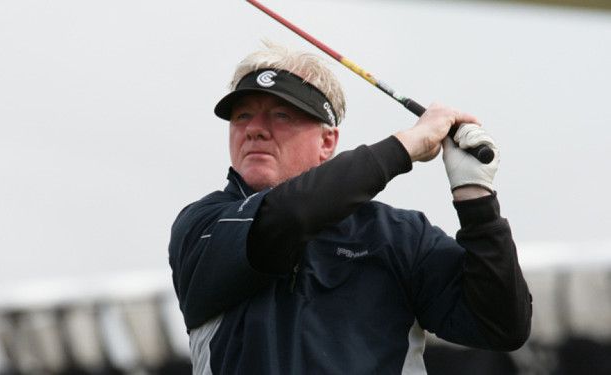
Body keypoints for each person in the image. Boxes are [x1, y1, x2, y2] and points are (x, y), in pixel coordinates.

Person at [168, 42, 532, 374]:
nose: (255, 129)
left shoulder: (397, 237)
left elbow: (502, 325)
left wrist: (476, 198)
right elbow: (288, 215)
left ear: (327, 142)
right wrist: (406, 145)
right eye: (242, 116)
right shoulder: (204, 225)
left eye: (281, 116)